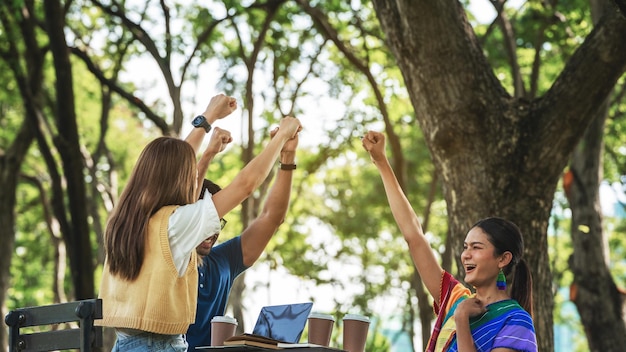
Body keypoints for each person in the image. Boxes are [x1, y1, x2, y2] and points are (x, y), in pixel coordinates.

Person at [97, 94, 301, 352]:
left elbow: (169, 165)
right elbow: (245, 185)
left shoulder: (124, 221)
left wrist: (208, 119)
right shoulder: (174, 225)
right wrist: (282, 136)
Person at [361, 131, 537, 352]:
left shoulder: (516, 321)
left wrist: (462, 319)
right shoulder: (455, 299)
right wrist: (381, 161)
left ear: (503, 258)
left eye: (476, 247)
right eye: (465, 247)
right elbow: (413, 235)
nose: (466, 255)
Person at [185, 127, 298, 350]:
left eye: (218, 222)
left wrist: (287, 158)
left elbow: (272, 217)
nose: (213, 230)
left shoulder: (224, 260)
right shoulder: (169, 254)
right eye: (208, 221)